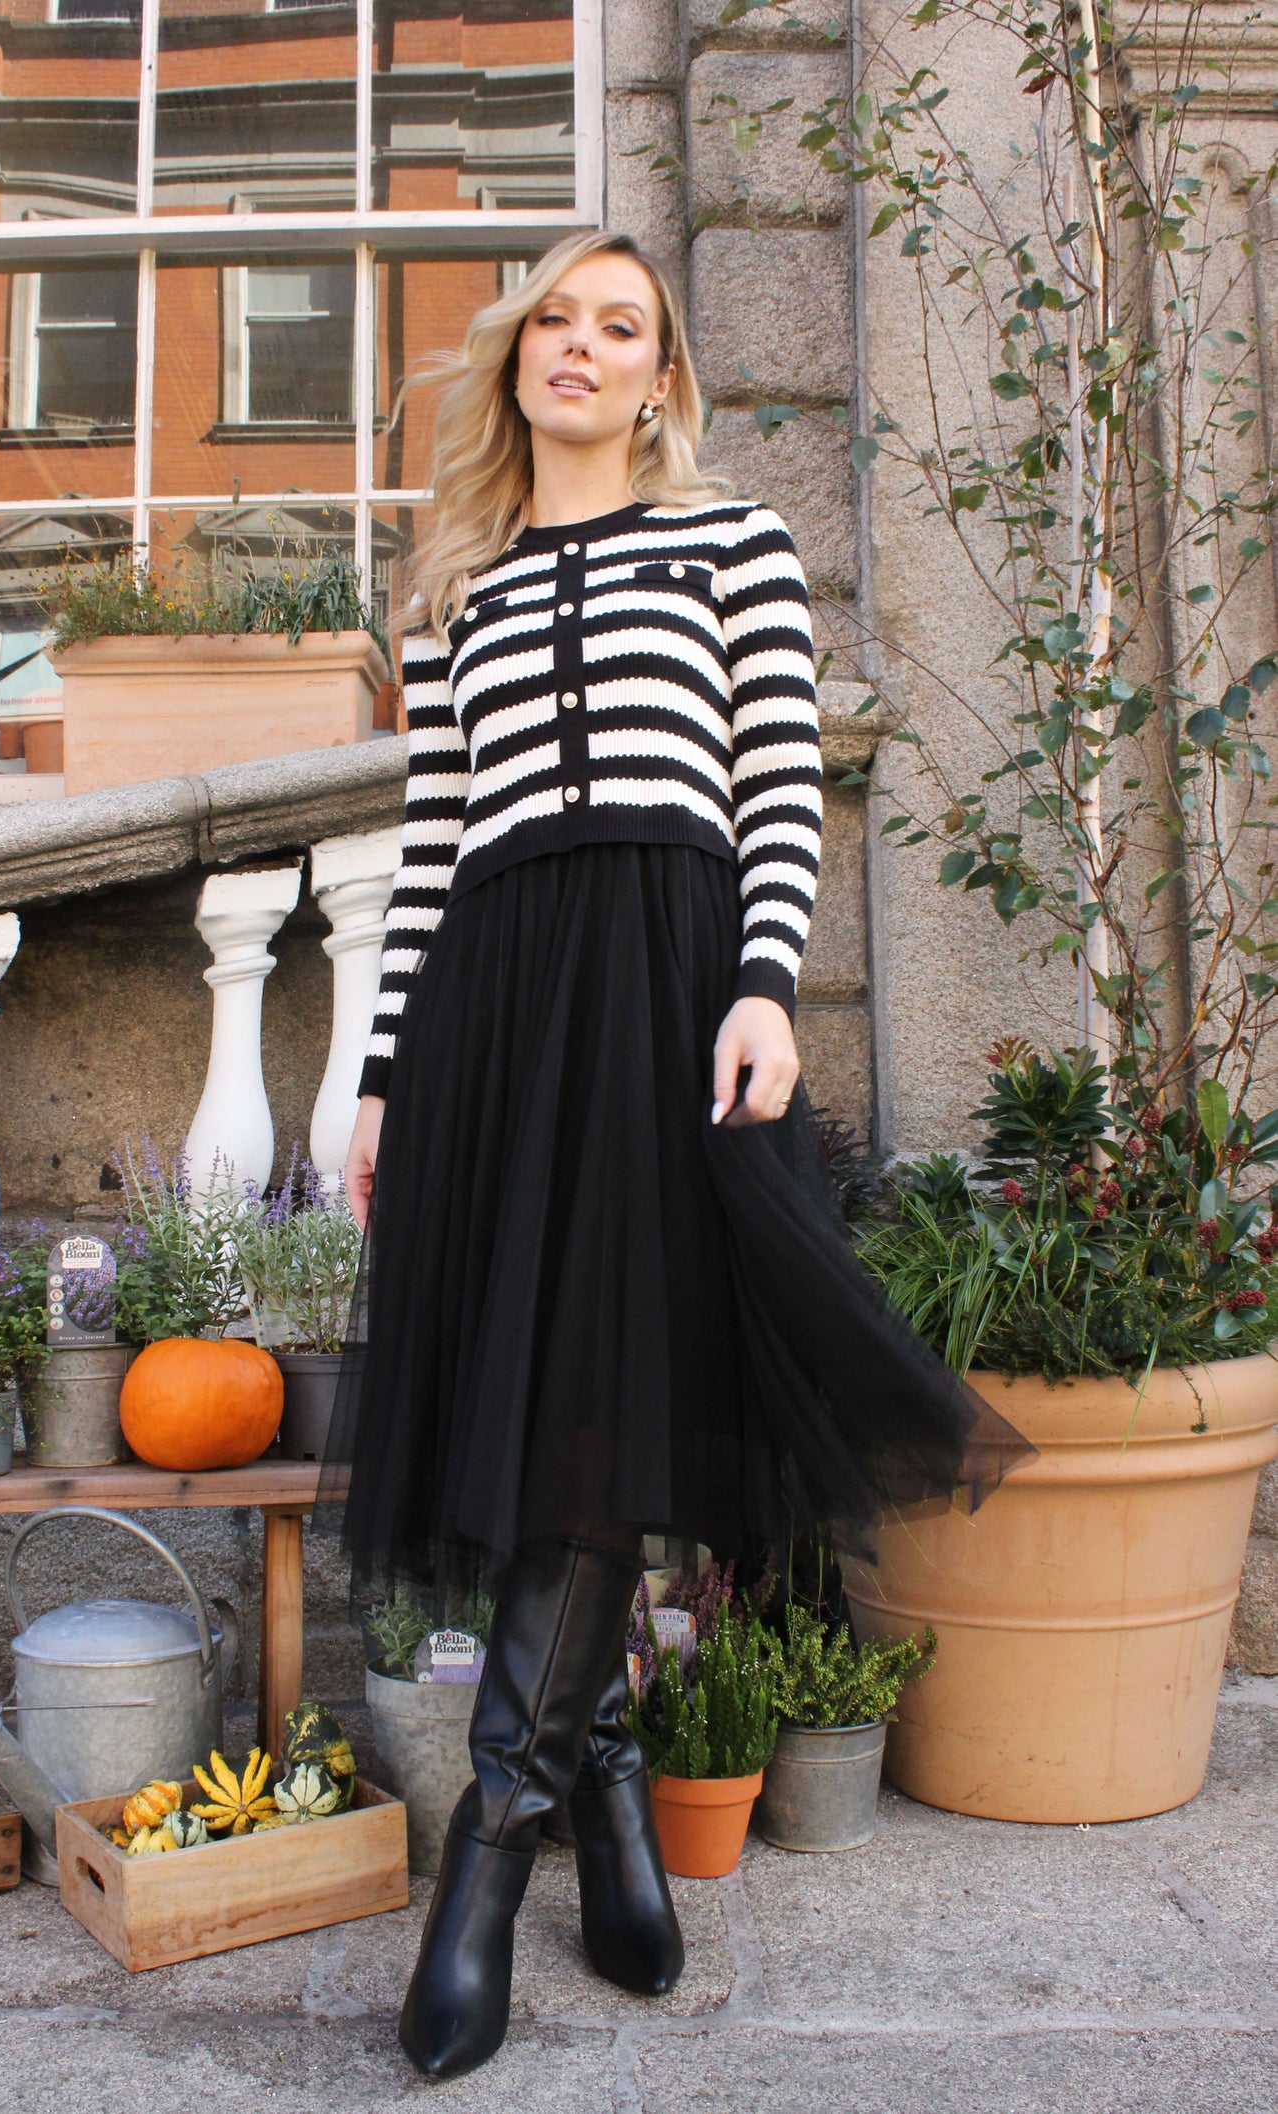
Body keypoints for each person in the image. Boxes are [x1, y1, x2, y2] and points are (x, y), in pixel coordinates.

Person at [338, 229, 1021, 2082]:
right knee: (549, 1403)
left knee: (603, 1383)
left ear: (661, 377)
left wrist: (764, 987)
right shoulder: (456, 585)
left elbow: (777, 778)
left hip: (664, 987)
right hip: (497, 1010)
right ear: (516, 359)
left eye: (617, 324)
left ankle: (489, 1847)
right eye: (553, 319)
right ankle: (608, 1781)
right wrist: (388, 1076)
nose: (578, 345)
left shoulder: (731, 545)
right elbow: (431, 845)